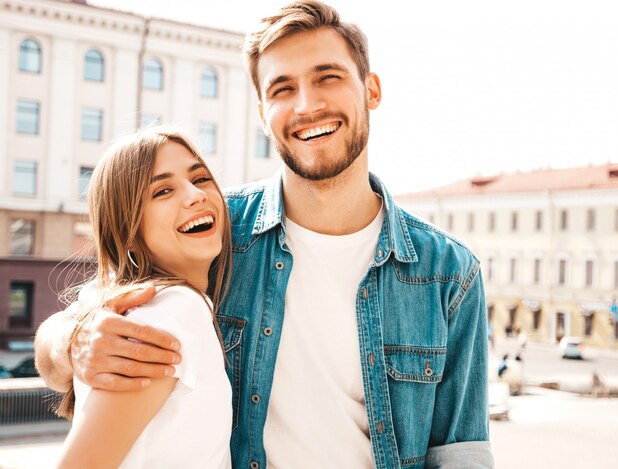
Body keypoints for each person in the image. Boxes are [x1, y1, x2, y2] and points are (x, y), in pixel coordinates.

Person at [36, 2, 494, 468]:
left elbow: (462, 455)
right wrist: (73, 341)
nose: (306, 105)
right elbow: (76, 323)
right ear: (262, 113)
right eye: (282, 88)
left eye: (327, 77)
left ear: (371, 90)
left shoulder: (448, 273)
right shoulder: (213, 232)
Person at [55, 127, 233, 468]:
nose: (195, 195)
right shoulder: (171, 312)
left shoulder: (170, 306)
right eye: (163, 191)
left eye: (200, 178)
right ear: (128, 234)